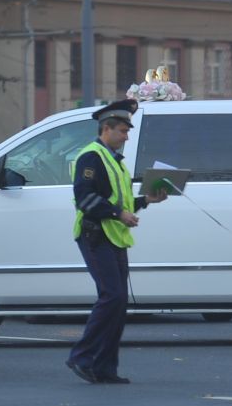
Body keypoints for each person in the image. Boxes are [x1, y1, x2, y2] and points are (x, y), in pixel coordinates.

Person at [67, 99, 167, 385]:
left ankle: (105, 367)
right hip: (94, 234)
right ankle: (82, 357)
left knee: (118, 301)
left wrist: (145, 200)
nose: (126, 137)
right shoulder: (91, 157)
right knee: (111, 297)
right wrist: (118, 213)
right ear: (106, 128)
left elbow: (120, 201)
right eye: (122, 131)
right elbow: (85, 198)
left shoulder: (115, 161)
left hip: (113, 235)